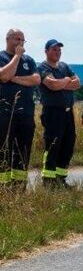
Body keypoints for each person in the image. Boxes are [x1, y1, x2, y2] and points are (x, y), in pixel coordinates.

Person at [0, 29, 40, 190]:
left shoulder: (29, 60)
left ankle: (19, 187)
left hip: (26, 113)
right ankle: (3, 187)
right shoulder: (2, 57)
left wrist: (14, 78)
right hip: (4, 113)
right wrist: (16, 56)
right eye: (17, 39)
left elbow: (36, 79)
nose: (21, 43)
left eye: (23, 40)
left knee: (22, 149)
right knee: (4, 149)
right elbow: (3, 76)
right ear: (7, 39)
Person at [38, 39, 80, 187]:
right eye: (54, 49)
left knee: (67, 146)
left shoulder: (64, 66)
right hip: (53, 112)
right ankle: (48, 181)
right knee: (53, 145)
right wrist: (67, 81)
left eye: (59, 50)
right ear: (46, 51)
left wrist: (62, 83)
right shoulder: (42, 68)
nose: (57, 52)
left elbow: (78, 83)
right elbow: (52, 85)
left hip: (68, 113)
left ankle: (60, 179)